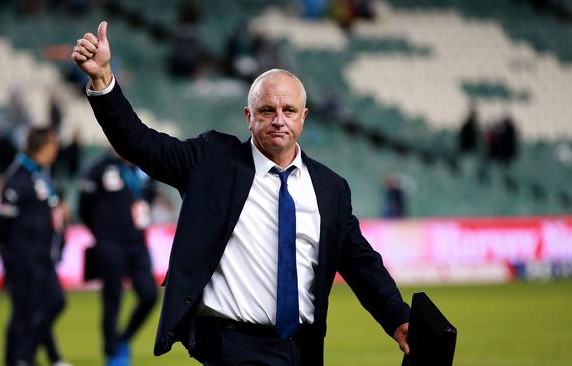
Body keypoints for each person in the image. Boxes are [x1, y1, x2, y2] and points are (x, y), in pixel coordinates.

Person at [72, 21, 410, 365]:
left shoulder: (330, 188)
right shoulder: (212, 161)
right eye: (267, 110)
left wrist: (399, 318)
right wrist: (102, 81)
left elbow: (361, 263)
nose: (279, 120)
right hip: (232, 347)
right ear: (249, 116)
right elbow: (141, 144)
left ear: (303, 118)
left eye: (289, 111)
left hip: (304, 350)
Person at [0, 127, 72, 366]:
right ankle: (17, 358)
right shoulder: (18, 176)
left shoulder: (40, 174)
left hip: (43, 255)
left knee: (54, 302)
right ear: (43, 147)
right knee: (24, 311)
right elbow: (3, 219)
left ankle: (26, 354)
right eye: (53, 144)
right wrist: (5, 249)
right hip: (23, 256)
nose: (56, 150)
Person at [78, 150, 158, 366]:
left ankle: (124, 339)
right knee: (112, 299)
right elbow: (84, 205)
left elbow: (149, 197)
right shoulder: (99, 167)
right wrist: (101, 233)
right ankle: (111, 351)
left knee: (150, 294)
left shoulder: (144, 167)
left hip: (137, 242)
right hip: (109, 243)